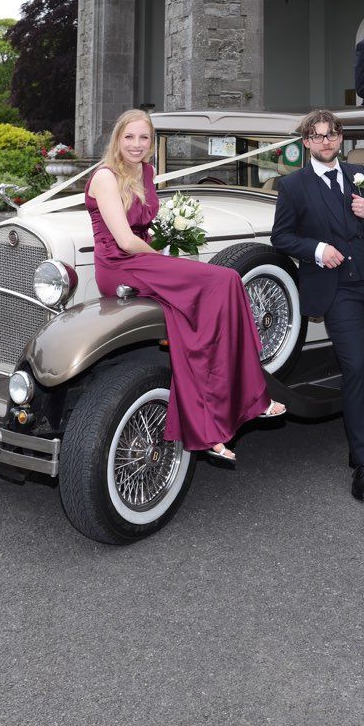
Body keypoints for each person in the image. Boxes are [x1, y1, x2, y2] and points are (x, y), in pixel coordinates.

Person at [87, 109, 285, 462]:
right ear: (117, 139)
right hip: (119, 265)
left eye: (144, 138)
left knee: (189, 322)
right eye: (129, 137)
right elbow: (125, 240)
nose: (136, 144)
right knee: (224, 278)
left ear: (151, 143)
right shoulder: (106, 176)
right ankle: (252, 395)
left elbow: (144, 228)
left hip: (142, 260)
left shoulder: (146, 171)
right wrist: (167, 263)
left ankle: (217, 420)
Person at [270, 108, 364, 502]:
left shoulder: (358, 176)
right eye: (318, 136)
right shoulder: (293, 185)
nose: (326, 141)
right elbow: (282, 237)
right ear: (306, 142)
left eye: (332, 134)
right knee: (356, 366)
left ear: (339, 139)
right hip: (337, 290)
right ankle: (362, 462)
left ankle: (363, 449)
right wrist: (317, 249)